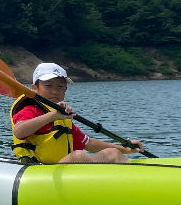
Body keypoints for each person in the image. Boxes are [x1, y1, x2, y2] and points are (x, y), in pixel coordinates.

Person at [10, 62, 143, 165]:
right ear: (34, 88)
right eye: (48, 86)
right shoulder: (31, 109)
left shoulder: (60, 116)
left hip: (60, 170)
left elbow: (88, 143)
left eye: (60, 86)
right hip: (39, 171)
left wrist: (125, 148)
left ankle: (136, 185)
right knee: (79, 156)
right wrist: (52, 115)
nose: (55, 91)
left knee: (112, 153)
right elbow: (19, 132)